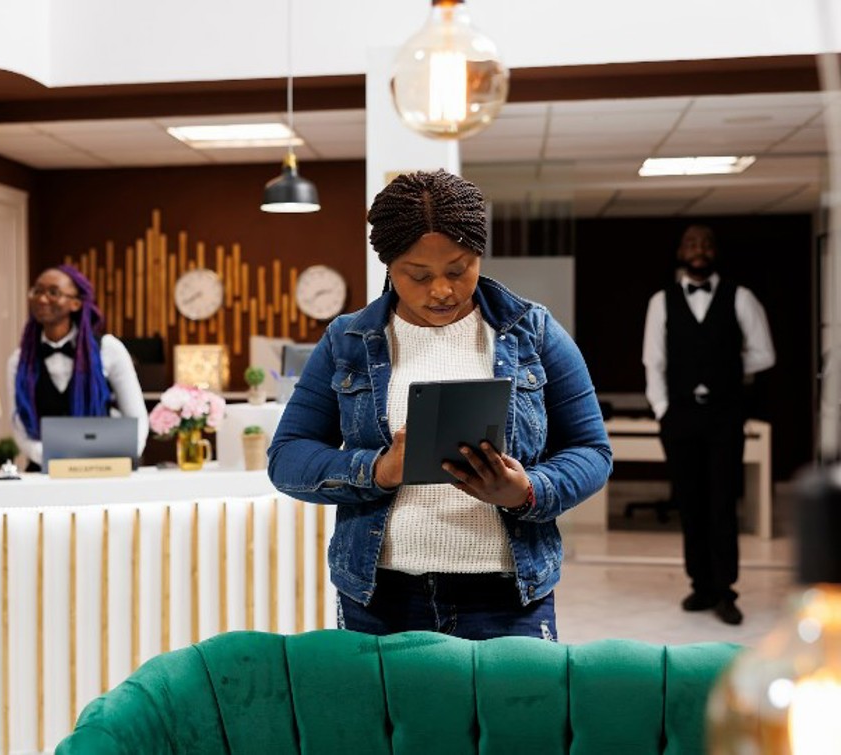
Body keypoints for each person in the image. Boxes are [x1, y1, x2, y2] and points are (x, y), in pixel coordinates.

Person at [267, 169, 611, 640]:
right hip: (380, 596)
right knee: (384, 718)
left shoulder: (534, 332)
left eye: (458, 268)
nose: (442, 290)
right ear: (388, 264)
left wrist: (527, 490)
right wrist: (379, 470)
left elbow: (592, 451)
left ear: (479, 255)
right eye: (419, 275)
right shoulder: (346, 341)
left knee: (512, 716)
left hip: (507, 597)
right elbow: (287, 457)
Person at [642, 224, 775, 626]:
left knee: (722, 502)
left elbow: (763, 354)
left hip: (724, 414)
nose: (698, 250)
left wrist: (726, 374)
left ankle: (725, 590)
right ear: (681, 251)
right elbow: (653, 360)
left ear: (714, 251)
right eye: (690, 243)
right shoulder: (661, 301)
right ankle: (700, 585)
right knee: (690, 501)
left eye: (705, 243)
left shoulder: (741, 297)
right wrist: (663, 407)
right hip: (679, 414)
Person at [7, 265, 147, 470]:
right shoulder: (19, 360)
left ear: (76, 303)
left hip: (105, 469)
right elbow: (19, 426)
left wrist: (125, 456)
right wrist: (55, 460)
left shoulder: (109, 349)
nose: (43, 299)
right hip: (44, 473)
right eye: (37, 291)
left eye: (53, 292)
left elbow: (137, 418)